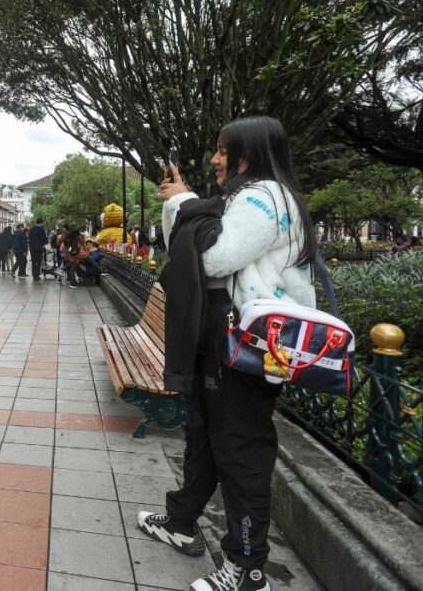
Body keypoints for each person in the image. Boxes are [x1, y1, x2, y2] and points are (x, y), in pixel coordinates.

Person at [142, 116, 317, 591]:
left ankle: (247, 568)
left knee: (239, 450)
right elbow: (182, 244)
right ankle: (181, 521)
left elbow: (213, 257)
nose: (215, 159)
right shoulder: (247, 197)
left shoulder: (264, 198)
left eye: (224, 151)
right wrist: (182, 203)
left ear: (248, 154)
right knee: (205, 434)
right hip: (223, 339)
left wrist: (183, 202)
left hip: (248, 345)